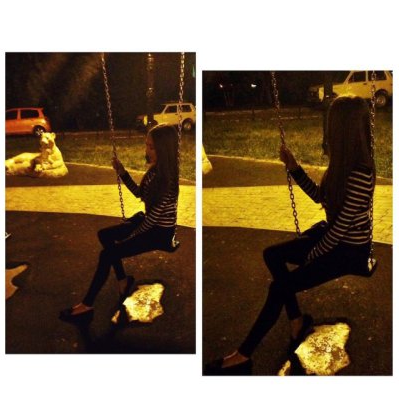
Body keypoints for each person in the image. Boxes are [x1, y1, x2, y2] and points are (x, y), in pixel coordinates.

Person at [205, 96, 375, 375]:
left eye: (330, 125)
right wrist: (294, 168)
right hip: (333, 239)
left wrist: (311, 257)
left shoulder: (361, 173)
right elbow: (321, 197)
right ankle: (296, 321)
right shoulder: (340, 166)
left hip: (349, 250)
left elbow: (340, 230)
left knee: (279, 288)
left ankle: (242, 355)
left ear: (340, 130)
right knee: (272, 255)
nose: (326, 130)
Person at [60, 124, 179, 322]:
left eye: (152, 147)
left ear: (164, 150)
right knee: (104, 235)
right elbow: (140, 194)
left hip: (160, 233)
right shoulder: (154, 172)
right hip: (149, 225)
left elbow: (152, 220)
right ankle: (123, 280)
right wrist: (123, 173)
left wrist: (129, 237)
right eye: (146, 145)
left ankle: (87, 305)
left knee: (107, 254)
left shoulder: (168, 181)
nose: (147, 151)